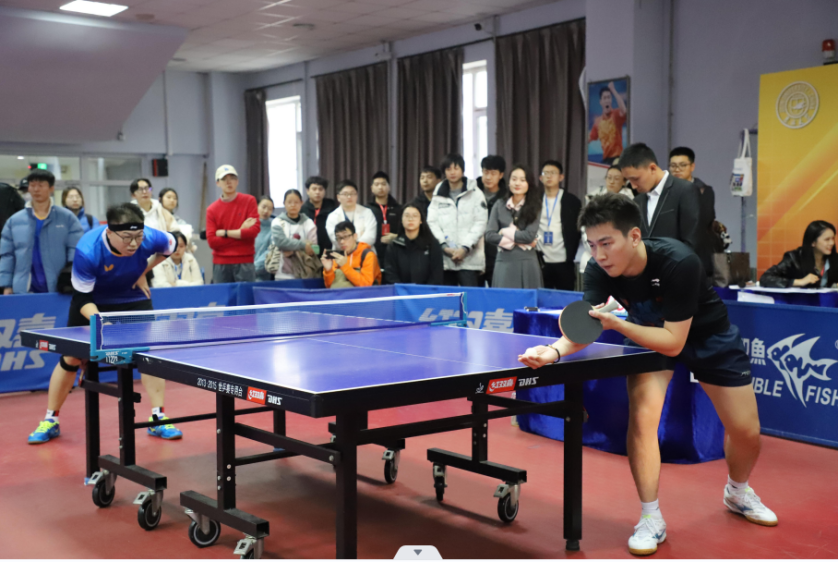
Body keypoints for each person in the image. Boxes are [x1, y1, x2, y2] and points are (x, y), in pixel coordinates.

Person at [519, 193, 777, 556]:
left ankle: (737, 491)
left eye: (607, 243)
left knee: (746, 431)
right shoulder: (597, 270)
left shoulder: (678, 262)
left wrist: (619, 325)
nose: (599, 254)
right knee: (642, 421)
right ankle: (650, 516)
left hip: (708, 337)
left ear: (634, 236)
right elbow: (589, 322)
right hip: (648, 337)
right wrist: (553, 351)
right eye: (592, 245)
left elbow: (674, 341)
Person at [27, 203, 184, 444]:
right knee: (71, 357)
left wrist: (143, 270)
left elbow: (170, 245)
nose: (134, 243)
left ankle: (158, 418)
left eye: (138, 237)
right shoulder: (88, 250)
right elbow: (82, 298)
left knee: (148, 355)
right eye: (127, 237)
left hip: (132, 297)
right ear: (109, 232)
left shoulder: (150, 237)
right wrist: (102, 322)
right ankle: (50, 419)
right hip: (93, 300)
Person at [0, 170, 83, 295]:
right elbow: (7, 255)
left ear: (51, 188)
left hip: (59, 287)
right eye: (32, 185)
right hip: (23, 288)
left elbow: (76, 250)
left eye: (41, 185)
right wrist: (6, 285)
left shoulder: (67, 218)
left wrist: (73, 279)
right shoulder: (14, 221)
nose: (36, 189)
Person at [620, 143, 700, 251]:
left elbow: (691, 240)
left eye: (636, 179)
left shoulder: (685, 190)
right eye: (629, 180)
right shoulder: (637, 201)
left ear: (652, 168)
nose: (633, 186)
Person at [427, 153, 488, 287]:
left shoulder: (475, 193)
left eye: (456, 168)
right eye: (448, 169)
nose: (452, 172)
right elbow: (432, 222)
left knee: (470, 298)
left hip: (470, 260)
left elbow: (480, 223)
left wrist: (465, 248)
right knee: (448, 298)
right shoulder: (438, 194)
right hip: (445, 260)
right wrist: (444, 246)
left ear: (462, 170)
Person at [485, 164, 543, 289]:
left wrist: (504, 231)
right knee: (503, 299)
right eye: (514, 179)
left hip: (527, 261)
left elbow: (529, 236)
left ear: (529, 184)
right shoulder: (499, 205)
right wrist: (517, 241)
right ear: (509, 182)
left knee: (527, 299)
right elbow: (489, 235)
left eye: (522, 180)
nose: (517, 183)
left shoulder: (535, 206)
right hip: (504, 261)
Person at [205, 165, 260, 283]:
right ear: (218, 183)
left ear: (237, 181)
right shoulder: (212, 210)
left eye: (232, 178)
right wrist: (240, 231)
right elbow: (212, 241)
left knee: (246, 295)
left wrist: (225, 233)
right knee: (222, 295)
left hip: (245, 261)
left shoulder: (249, 201)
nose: (228, 182)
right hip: (221, 263)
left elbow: (253, 232)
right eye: (224, 179)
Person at [669, 147, 716, 279]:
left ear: (692, 166)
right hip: (672, 249)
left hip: (698, 251)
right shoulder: (666, 191)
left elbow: (705, 219)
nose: (677, 169)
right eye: (673, 166)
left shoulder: (704, 190)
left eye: (682, 165)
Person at [536, 160, 582, 290]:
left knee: (566, 298)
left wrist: (572, 254)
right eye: (545, 173)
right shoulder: (535, 201)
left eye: (553, 173)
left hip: (564, 261)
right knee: (542, 298)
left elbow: (577, 230)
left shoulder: (572, 201)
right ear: (540, 178)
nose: (549, 176)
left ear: (561, 177)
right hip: (541, 261)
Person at [580, 166, 633, 275]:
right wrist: (593, 247)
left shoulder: (629, 203)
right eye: (609, 178)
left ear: (624, 182)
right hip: (593, 255)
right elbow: (585, 226)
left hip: (618, 257)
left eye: (616, 178)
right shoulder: (593, 198)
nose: (612, 182)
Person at [760, 220, 837, 288]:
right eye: (827, 239)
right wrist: (799, 282)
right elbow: (766, 278)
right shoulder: (794, 258)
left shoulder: (835, 259)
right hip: (799, 300)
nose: (832, 243)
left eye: (833, 239)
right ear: (813, 242)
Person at [383, 204, 444, 285]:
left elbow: (436, 275)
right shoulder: (394, 246)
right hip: (400, 291)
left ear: (421, 220)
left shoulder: (432, 245)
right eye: (407, 216)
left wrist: (424, 291)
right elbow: (390, 275)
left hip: (427, 291)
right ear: (401, 220)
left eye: (415, 216)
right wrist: (402, 290)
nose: (410, 219)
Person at [270, 190, 317, 280]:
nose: (293, 205)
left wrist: (290, 248)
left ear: (301, 203)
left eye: (296, 202)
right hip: (282, 273)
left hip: (305, 271)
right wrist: (303, 245)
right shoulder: (277, 222)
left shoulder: (308, 222)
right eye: (289, 202)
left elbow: (313, 248)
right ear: (284, 203)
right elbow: (281, 243)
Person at [322, 220, 381, 288]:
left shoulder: (368, 255)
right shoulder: (337, 257)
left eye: (346, 236)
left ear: (355, 236)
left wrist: (344, 266)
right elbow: (330, 286)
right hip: (340, 294)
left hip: (364, 294)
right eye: (339, 238)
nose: (342, 241)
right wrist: (328, 270)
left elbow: (366, 285)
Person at [477, 155, 507, 287]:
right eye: (485, 172)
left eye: (493, 173)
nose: (488, 177)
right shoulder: (472, 193)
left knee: (497, 292)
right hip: (474, 254)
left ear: (501, 175)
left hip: (497, 254)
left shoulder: (507, 197)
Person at [325, 180, 377, 250]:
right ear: (338, 197)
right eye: (345, 194)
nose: (349, 197)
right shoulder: (332, 216)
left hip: (364, 253)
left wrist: (353, 246)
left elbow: (370, 237)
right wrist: (359, 235)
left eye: (352, 193)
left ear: (357, 196)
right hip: (342, 254)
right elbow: (335, 240)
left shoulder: (367, 212)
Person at [365, 171, 400, 266]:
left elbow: (405, 232)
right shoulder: (366, 209)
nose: (380, 187)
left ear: (389, 187)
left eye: (383, 184)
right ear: (372, 188)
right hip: (372, 253)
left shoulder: (399, 209)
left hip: (395, 254)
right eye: (377, 184)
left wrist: (396, 237)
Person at [589, 81, 628, 165]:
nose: (607, 100)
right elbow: (590, 138)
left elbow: (624, 111)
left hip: (617, 158)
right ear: (600, 101)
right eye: (605, 98)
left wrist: (613, 90)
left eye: (609, 97)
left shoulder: (616, 114)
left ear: (611, 100)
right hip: (606, 159)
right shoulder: (597, 122)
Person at [301, 176, 338, 256]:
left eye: (320, 189)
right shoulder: (302, 210)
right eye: (314, 189)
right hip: (308, 250)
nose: (317, 192)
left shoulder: (332, 207)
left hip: (329, 249)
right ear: (307, 191)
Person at [254, 196, 275, 281]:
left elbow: (270, 252)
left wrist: (251, 269)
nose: (266, 211)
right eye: (263, 207)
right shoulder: (248, 225)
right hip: (243, 273)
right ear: (257, 206)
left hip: (262, 277)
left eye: (270, 209)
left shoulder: (274, 228)